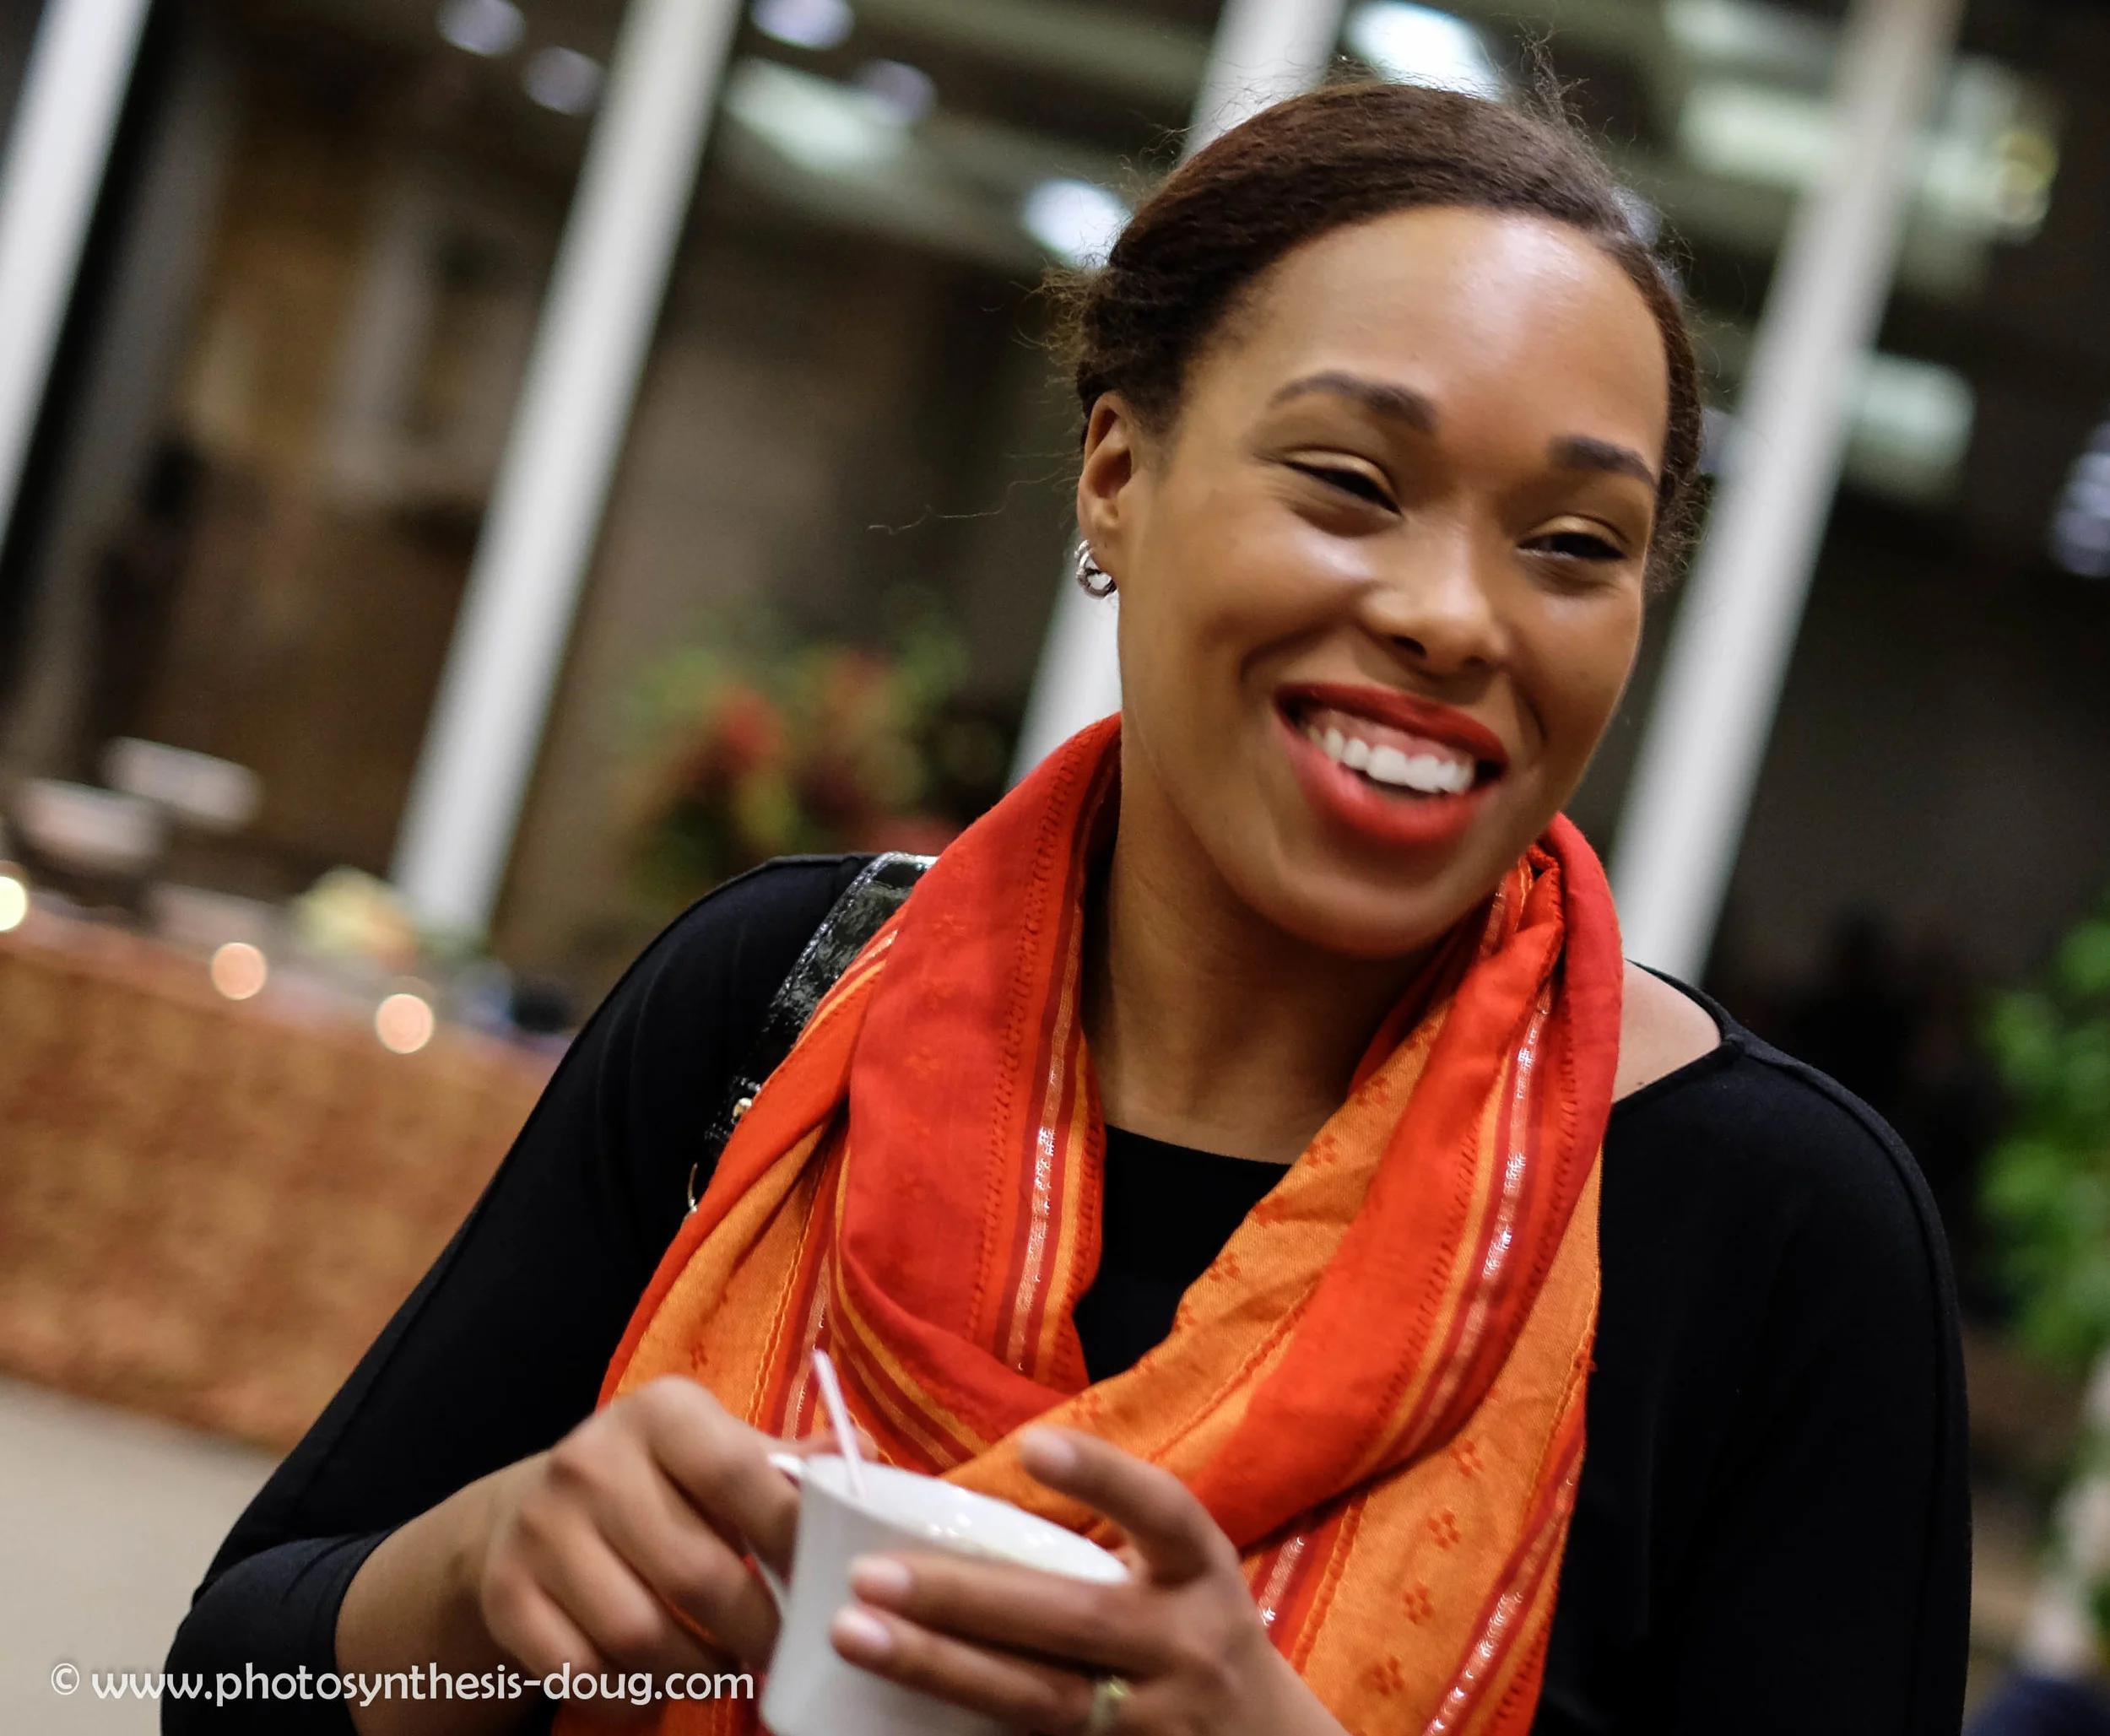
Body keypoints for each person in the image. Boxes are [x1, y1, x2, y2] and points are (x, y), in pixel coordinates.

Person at [167, 83, 1969, 1736]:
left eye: (1573, 544)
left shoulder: (1779, 1234)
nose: (1451, 615)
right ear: (1117, 472)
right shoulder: (778, 1002)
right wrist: (482, 1577)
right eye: (1352, 484)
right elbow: (227, 1685)